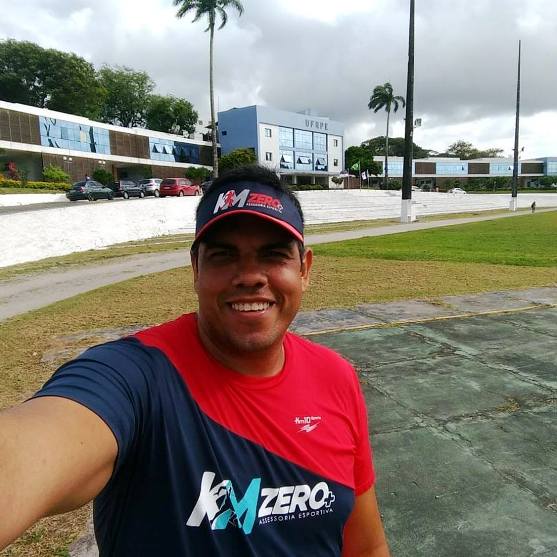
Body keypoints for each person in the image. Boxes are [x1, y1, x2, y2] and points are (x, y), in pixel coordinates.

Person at [0, 165, 390, 556]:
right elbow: (33, 446)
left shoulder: (336, 376)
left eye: (273, 255)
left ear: (304, 270)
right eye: (224, 256)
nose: (251, 276)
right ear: (196, 269)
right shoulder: (136, 378)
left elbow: (367, 546)